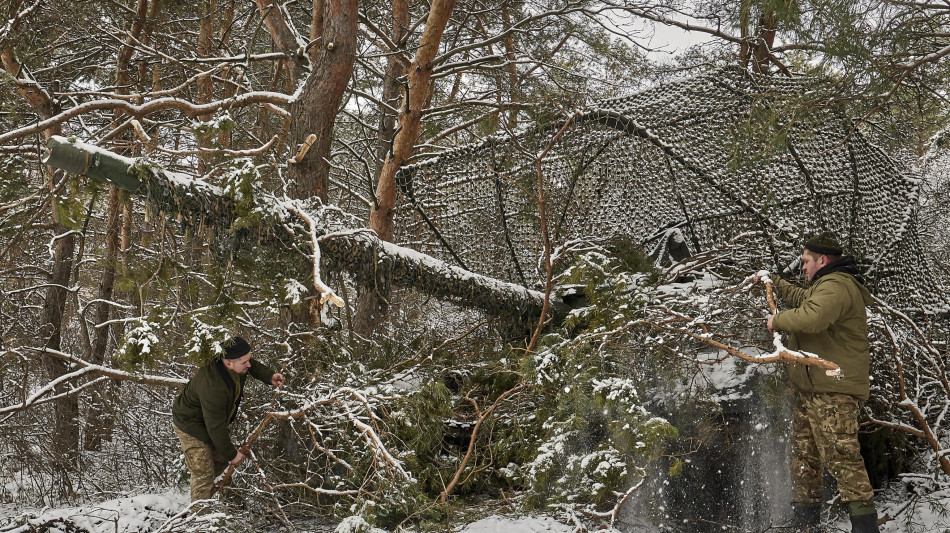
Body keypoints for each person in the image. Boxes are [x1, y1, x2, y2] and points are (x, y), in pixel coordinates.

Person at [760, 232, 879, 533]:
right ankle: (806, 526)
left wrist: (778, 322)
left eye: (805, 262)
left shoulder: (838, 285)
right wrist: (773, 281)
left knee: (842, 458)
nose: (802, 267)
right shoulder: (824, 285)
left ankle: (866, 528)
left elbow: (812, 317)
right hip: (813, 390)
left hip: (834, 390)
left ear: (822, 260)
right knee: (804, 459)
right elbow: (804, 298)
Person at [172, 336, 285, 503]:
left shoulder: (236, 362)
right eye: (244, 362)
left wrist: (269, 376)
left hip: (210, 421)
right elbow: (215, 428)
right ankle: (199, 519)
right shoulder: (214, 386)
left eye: (248, 359)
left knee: (222, 464)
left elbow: (251, 365)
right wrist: (233, 454)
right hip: (190, 424)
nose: (249, 365)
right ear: (228, 363)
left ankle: (230, 509)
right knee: (203, 472)